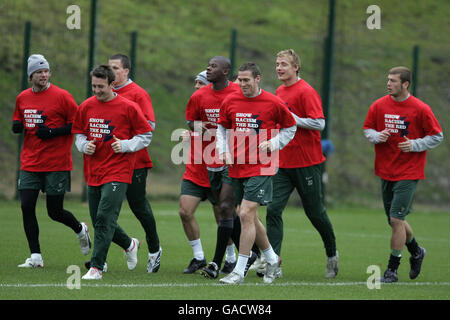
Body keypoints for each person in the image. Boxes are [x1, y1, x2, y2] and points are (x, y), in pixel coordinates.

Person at [217, 62, 297, 284]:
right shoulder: (230, 101)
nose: (242, 84)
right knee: (251, 216)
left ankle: (239, 271)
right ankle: (272, 258)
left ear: (257, 79)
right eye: (239, 80)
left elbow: (290, 127)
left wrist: (274, 142)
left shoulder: (272, 102)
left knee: (245, 214)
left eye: (246, 80)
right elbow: (222, 128)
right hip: (237, 165)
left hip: (262, 165)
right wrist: (223, 150)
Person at [72, 65, 153, 280]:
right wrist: (83, 145)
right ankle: (129, 243)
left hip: (118, 170)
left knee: (104, 216)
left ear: (111, 84)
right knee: (99, 219)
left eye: (101, 86)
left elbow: (146, 134)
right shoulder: (86, 106)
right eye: (94, 86)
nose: (97, 90)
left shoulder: (128, 107)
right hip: (94, 170)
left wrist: (126, 145)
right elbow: (78, 134)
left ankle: (97, 267)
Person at [363, 66, 443, 283]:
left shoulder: (420, 108)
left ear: (405, 84)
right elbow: (367, 129)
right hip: (385, 169)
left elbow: (437, 136)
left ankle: (392, 270)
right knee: (394, 220)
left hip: (409, 171)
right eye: (388, 80)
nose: (389, 84)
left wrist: (415, 144)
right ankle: (416, 251)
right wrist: (377, 136)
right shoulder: (379, 105)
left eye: (393, 81)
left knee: (396, 219)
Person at [264, 49, 338, 279]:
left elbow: (320, 124)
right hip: (283, 163)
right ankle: (273, 262)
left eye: (284, 64)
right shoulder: (278, 91)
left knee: (315, 213)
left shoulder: (306, 91)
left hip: (307, 163)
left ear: (296, 67)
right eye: (277, 64)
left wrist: (293, 119)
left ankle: (332, 254)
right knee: (273, 209)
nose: (279, 68)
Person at [12, 54, 91, 268]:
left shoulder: (62, 96)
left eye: (46, 71)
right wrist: (17, 126)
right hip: (30, 162)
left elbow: (78, 125)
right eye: (39, 72)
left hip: (56, 163)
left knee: (54, 212)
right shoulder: (22, 97)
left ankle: (80, 229)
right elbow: (18, 119)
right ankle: (35, 256)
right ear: (31, 76)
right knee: (27, 206)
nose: (44, 75)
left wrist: (53, 132)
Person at [185, 56, 247, 279]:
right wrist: (206, 129)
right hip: (209, 159)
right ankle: (259, 254)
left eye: (213, 66)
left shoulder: (236, 94)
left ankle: (218, 262)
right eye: (208, 65)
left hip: (233, 159)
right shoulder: (199, 96)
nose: (208, 69)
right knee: (227, 211)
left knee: (226, 207)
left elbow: (246, 120)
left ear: (226, 71)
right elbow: (190, 121)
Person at [108, 53, 162, 273]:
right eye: (109, 67)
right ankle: (101, 259)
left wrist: (127, 143)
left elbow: (149, 126)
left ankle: (154, 248)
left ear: (126, 71)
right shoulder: (104, 91)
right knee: (104, 210)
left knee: (139, 207)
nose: (111, 72)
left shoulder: (138, 94)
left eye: (116, 68)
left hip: (135, 161)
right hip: (108, 163)